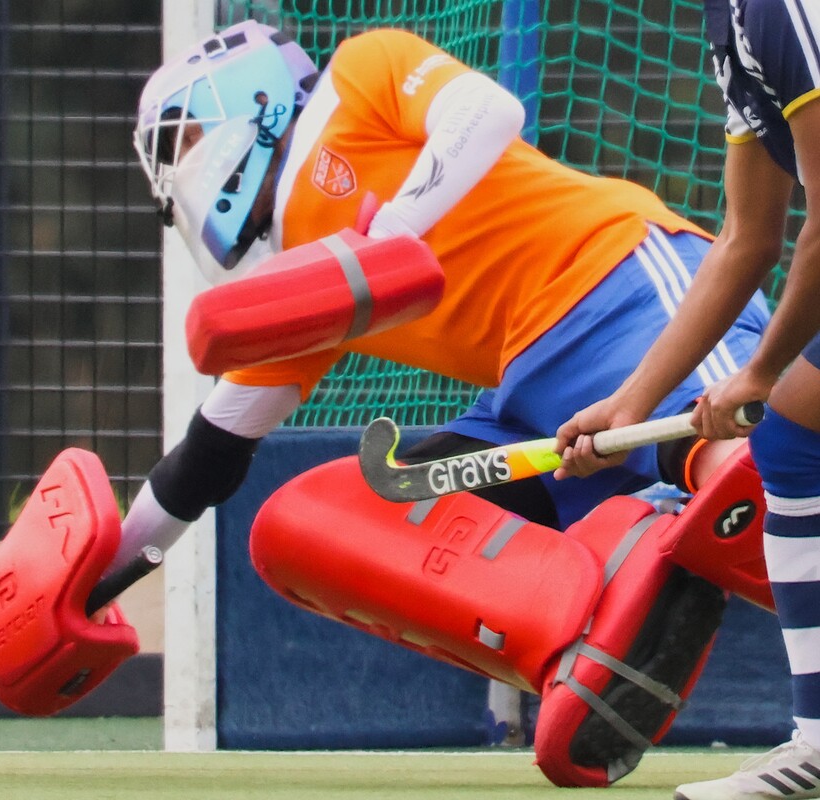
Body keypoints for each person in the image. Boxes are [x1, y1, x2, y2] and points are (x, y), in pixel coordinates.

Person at [115, 18, 770, 571]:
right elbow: (207, 457)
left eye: (188, 137)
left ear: (249, 96)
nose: (185, 171)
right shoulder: (302, 283)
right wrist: (99, 576)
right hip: (533, 395)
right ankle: (608, 655)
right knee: (394, 522)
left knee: (732, 455)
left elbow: (487, 113)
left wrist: (392, 233)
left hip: (619, 283)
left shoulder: (357, 74)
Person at [555, 1, 820, 797]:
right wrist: (632, 402)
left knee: (797, 428)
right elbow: (748, 235)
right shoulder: (736, 21)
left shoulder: (783, 11)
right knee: (796, 441)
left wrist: (762, 371)